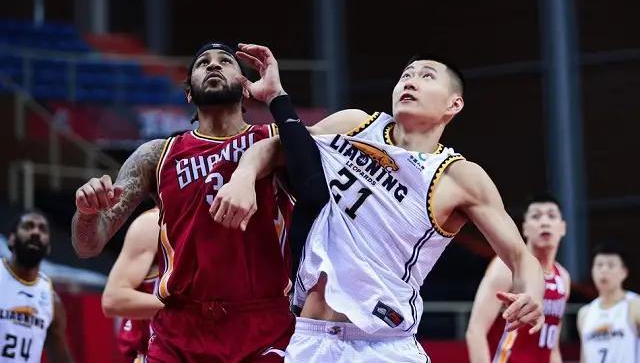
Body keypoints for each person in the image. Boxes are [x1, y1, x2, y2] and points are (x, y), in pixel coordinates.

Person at [213, 44, 545, 362]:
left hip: (385, 346)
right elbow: (277, 145)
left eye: (426, 76)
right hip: (310, 339)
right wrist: (243, 176)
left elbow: (520, 257)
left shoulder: (458, 176)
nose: (410, 82)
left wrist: (532, 293)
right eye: (406, 75)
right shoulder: (355, 125)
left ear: (453, 104)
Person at [71, 42, 301, 362]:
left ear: (245, 88)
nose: (214, 65)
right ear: (189, 94)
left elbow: (337, 146)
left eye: (226, 61)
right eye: (203, 63)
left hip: (262, 325)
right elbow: (88, 245)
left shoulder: (277, 140)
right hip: (181, 328)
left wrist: (276, 95)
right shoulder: (156, 155)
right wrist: (86, 214)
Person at [466, 193, 570, 363]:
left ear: (563, 228)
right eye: (536, 216)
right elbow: (475, 331)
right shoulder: (506, 267)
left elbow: (553, 345)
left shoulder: (563, 277)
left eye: (551, 216)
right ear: (525, 228)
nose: (544, 222)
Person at [0, 210, 73, 362]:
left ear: (49, 247)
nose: (35, 232)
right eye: (28, 226)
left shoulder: (51, 300)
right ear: (11, 239)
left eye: (43, 229)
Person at [102, 207, 160, 362]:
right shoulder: (152, 223)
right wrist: (185, 308)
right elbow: (113, 300)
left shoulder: (217, 224)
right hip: (157, 353)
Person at [577, 243, 640, 363]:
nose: (604, 270)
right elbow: (584, 358)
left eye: (611, 265)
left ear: (624, 272)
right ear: (592, 271)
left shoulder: (635, 305)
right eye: (599, 265)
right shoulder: (585, 313)